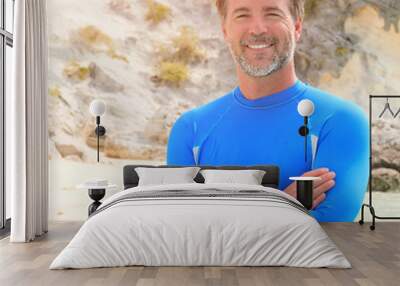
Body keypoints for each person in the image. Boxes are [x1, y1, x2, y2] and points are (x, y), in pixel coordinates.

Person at [166, 0, 369, 222]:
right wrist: (279, 203)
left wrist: (219, 218)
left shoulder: (339, 121)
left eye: (272, 14)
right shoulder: (190, 129)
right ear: (226, 31)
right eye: (242, 15)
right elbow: (181, 232)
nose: (258, 29)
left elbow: (328, 235)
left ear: (297, 27)